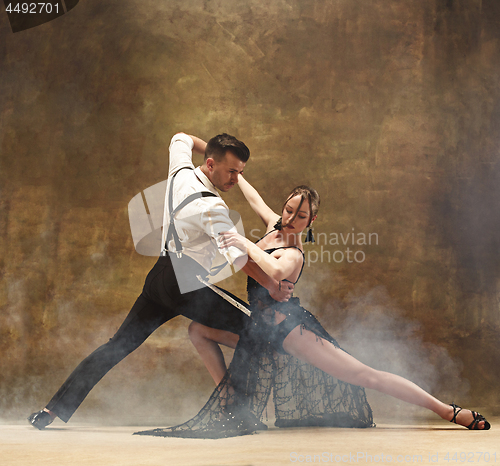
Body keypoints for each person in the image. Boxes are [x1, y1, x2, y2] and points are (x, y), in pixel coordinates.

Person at [135, 176, 490, 438]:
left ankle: (447, 410)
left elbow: (273, 270)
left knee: (364, 375)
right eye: (288, 210)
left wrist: (241, 239)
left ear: (311, 222)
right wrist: (235, 170)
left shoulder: (293, 254)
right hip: (258, 330)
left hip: (289, 332)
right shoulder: (276, 226)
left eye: (300, 217)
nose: (290, 220)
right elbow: (256, 198)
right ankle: (230, 397)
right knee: (197, 330)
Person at [28, 132, 294, 430]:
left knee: (117, 345)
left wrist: (219, 150)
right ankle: (235, 412)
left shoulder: (180, 172)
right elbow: (239, 259)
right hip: (186, 284)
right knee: (254, 326)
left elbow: (180, 138)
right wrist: (271, 285)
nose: (236, 179)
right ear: (210, 164)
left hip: (159, 278)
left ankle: (49, 411)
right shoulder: (213, 207)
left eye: (240, 172)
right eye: (231, 171)